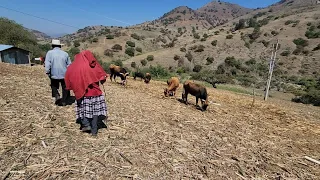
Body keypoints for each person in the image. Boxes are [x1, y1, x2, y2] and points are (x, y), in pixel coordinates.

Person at [64, 50, 108, 136]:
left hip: (83, 94)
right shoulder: (95, 65)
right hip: (96, 93)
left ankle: (87, 124)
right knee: (95, 112)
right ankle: (94, 131)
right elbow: (102, 77)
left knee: (82, 109)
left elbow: (68, 77)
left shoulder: (74, 67)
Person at [45, 39, 71, 106]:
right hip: (64, 73)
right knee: (65, 87)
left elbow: (47, 64)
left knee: (54, 85)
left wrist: (47, 71)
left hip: (54, 73)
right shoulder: (65, 54)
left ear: (52, 46)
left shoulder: (49, 53)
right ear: (60, 46)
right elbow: (69, 64)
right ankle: (64, 101)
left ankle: (57, 95)